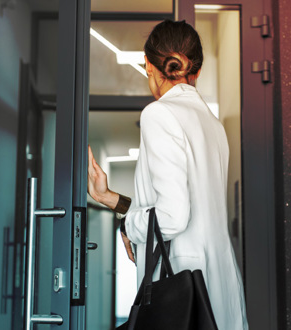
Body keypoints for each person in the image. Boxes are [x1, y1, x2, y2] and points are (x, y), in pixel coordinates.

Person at [88, 19, 248, 330]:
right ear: (197, 71)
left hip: (181, 295)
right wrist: (113, 200)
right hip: (218, 286)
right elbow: (182, 203)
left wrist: (127, 227)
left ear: (147, 64)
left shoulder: (158, 114)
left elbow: (173, 217)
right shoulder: (212, 125)